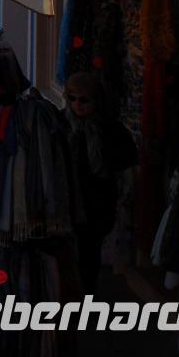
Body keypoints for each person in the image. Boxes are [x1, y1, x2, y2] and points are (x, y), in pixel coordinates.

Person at [64, 72, 136, 290]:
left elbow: (127, 158)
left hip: (96, 202)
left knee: (89, 254)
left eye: (84, 99)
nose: (77, 105)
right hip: (68, 199)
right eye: (72, 98)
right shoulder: (61, 123)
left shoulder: (109, 128)